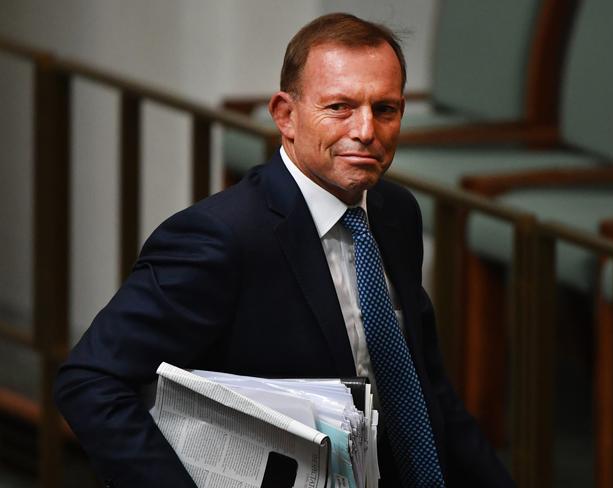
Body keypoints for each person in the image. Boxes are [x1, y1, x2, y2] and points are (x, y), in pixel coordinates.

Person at [55, 13, 514, 488]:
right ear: (285, 115)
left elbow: (421, 388)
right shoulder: (219, 237)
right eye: (339, 107)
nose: (365, 130)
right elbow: (90, 382)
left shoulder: (396, 212)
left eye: (385, 109)